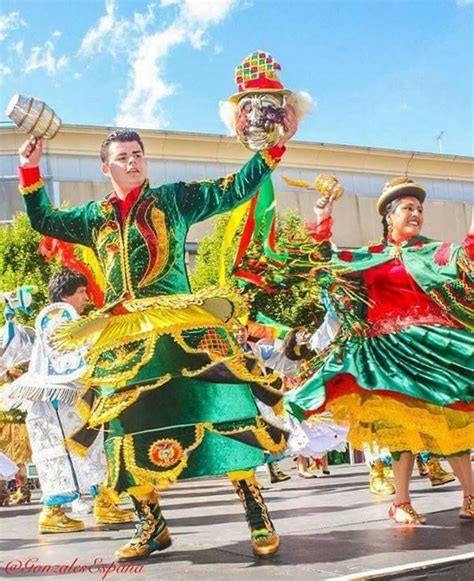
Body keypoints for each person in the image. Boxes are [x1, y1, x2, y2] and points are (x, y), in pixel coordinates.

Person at [16, 99, 297, 557]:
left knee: (222, 406)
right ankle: (151, 525)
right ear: (106, 167)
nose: (132, 162)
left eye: (137, 154)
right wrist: (29, 170)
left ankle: (255, 511)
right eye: (122, 157)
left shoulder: (174, 199)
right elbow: (43, 220)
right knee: (125, 425)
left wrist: (272, 149)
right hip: (125, 333)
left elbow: (234, 188)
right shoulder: (94, 217)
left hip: (181, 322)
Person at [285, 176, 474, 523]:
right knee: (398, 429)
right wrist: (322, 218)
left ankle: (471, 496)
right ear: (389, 215)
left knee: (453, 420)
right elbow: (322, 263)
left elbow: (467, 258)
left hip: (433, 352)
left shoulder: (432, 252)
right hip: (388, 357)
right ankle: (401, 502)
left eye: (419, 209)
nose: (416, 214)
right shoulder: (369, 257)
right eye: (407, 208)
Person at [7, 268, 134, 533]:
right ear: (65, 296)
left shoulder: (69, 318)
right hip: (58, 403)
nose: (86, 297)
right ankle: (52, 513)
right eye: (80, 292)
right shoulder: (56, 319)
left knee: (93, 449)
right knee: (62, 457)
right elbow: (64, 360)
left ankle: (103, 501)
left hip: (78, 398)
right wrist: (95, 347)